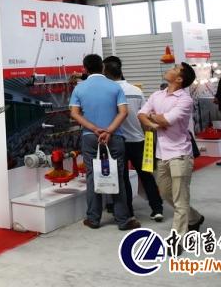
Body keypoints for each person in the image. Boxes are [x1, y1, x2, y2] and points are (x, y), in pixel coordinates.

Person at [69, 54, 139, 231]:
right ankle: (123, 219)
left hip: (90, 137)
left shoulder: (79, 89)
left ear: (85, 69)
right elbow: (123, 112)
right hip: (114, 137)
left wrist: (94, 129)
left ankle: (93, 219)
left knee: (92, 177)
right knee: (118, 176)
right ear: (102, 67)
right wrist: (109, 131)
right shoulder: (115, 87)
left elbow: (74, 113)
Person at [139, 63, 204, 244]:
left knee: (180, 197)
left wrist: (153, 116)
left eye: (174, 68)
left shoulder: (185, 100)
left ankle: (177, 239)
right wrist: (154, 123)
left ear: (179, 79)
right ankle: (194, 218)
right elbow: (141, 114)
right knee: (166, 193)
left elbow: (166, 120)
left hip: (180, 154)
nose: (169, 68)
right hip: (161, 154)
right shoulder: (157, 95)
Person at [103, 57, 164, 222]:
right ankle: (157, 209)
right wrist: (148, 138)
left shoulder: (108, 92)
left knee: (122, 179)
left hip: (118, 141)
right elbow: (145, 116)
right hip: (139, 140)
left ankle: (129, 212)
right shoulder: (136, 90)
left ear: (106, 72)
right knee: (147, 176)